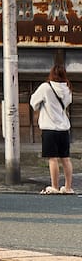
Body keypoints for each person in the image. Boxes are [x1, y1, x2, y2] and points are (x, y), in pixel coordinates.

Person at [30, 64, 74, 194]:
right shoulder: (67, 88)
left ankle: (54, 186)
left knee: (53, 159)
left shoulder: (45, 87)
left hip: (49, 128)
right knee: (65, 158)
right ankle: (68, 187)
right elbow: (68, 103)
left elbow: (33, 102)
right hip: (64, 128)